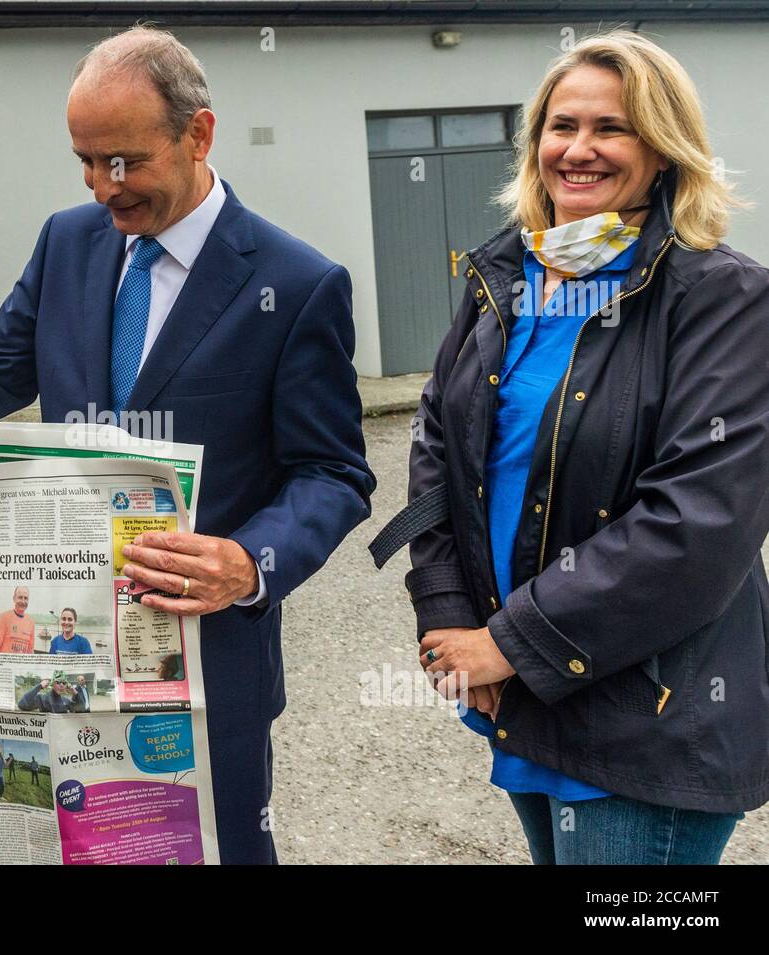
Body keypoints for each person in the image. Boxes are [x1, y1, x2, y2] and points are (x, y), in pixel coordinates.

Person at [0, 26, 374, 864]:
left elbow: (333, 472)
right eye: (84, 160)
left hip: (201, 671)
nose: (101, 186)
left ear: (199, 136)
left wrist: (248, 563)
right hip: (56, 660)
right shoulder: (70, 241)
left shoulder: (295, 284)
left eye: (121, 161)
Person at [371, 31, 769, 865]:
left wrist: (511, 642)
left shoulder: (720, 296)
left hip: (644, 722)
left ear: (663, 152)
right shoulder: (505, 280)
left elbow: (699, 520)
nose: (578, 149)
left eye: (611, 129)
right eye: (561, 125)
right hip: (528, 698)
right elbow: (436, 453)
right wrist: (448, 616)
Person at [0, 586, 35, 654]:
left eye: (26, 598)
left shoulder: (31, 622)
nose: (23, 601)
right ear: (14, 599)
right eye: (20, 597)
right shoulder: (5, 617)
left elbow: (31, 650)